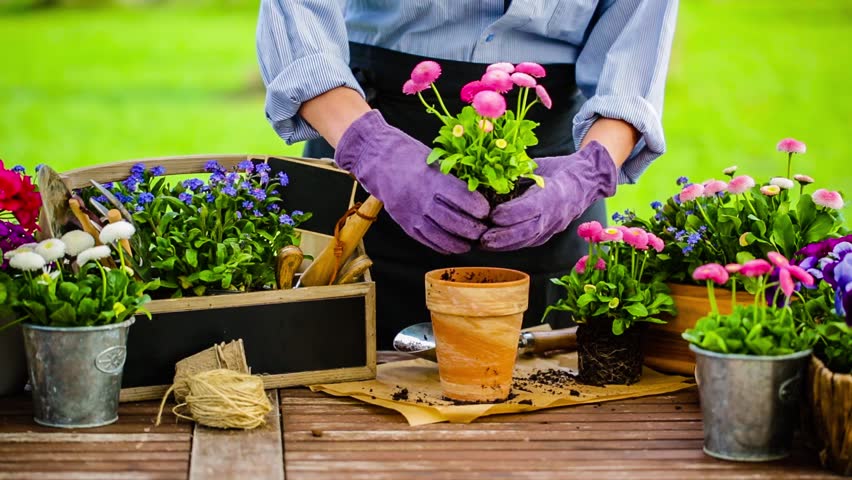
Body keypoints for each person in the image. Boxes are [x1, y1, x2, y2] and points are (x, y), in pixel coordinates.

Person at [257, 1, 679, 348]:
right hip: (364, 152)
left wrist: (585, 174)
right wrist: (372, 148)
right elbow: (299, 22)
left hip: (545, 172)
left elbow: (634, 51)